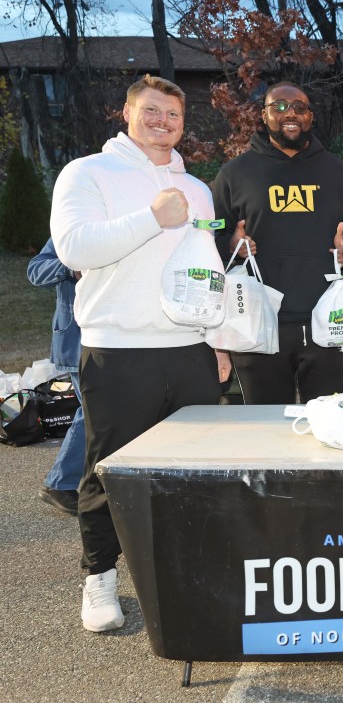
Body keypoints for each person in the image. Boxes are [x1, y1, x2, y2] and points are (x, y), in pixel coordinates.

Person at [51, 74, 226, 632]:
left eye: (172, 115)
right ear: (126, 114)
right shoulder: (87, 173)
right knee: (107, 473)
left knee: (194, 473)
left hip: (191, 351)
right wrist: (153, 216)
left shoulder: (197, 188)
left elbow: (207, 271)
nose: (162, 122)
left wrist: (217, 339)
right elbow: (73, 247)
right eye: (151, 111)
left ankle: (190, 572)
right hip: (119, 350)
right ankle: (100, 577)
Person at [212, 82, 343, 403]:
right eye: (280, 106)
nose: (291, 114)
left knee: (333, 426)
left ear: (311, 117)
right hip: (257, 323)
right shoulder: (234, 174)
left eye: (300, 107)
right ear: (264, 115)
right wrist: (230, 244)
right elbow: (209, 236)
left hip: (332, 321)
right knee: (265, 432)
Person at [26, 238, 84, 515]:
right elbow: (36, 270)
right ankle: (60, 483)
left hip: (121, 340)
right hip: (79, 343)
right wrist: (71, 269)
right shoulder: (69, 228)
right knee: (94, 414)